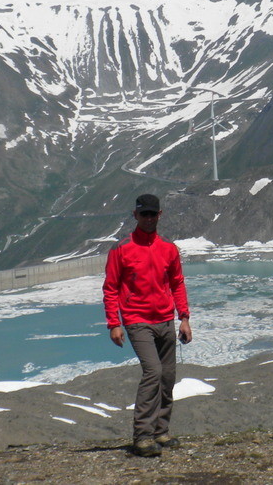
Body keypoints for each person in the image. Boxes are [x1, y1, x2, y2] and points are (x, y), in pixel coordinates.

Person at [103, 193, 192, 458]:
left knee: (167, 377)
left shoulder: (168, 248)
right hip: (137, 320)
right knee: (153, 372)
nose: (149, 218)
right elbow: (110, 288)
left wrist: (184, 318)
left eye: (153, 214)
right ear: (135, 215)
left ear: (160, 215)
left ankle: (160, 431)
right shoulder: (121, 249)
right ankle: (142, 436)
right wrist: (113, 324)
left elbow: (176, 282)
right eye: (145, 214)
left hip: (165, 320)